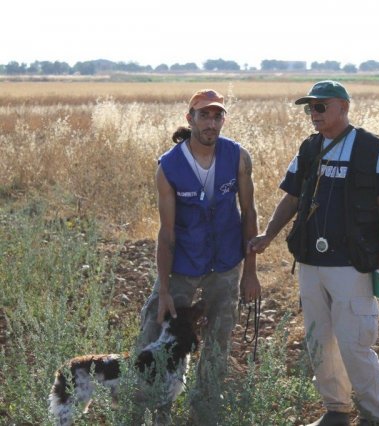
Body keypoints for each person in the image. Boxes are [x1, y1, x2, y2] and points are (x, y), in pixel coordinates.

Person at [248, 81, 379, 426]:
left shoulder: (369, 146)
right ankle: (337, 410)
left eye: (320, 107)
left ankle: (374, 416)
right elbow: (292, 198)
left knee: (354, 343)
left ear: (343, 107)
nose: (313, 114)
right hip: (312, 263)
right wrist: (268, 235)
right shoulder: (309, 148)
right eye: (309, 108)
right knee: (319, 342)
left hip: (352, 264)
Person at [136, 89, 261, 424]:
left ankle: (203, 409)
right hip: (184, 265)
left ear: (223, 120)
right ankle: (141, 405)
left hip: (225, 265)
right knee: (154, 330)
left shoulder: (237, 157)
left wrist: (250, 271)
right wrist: (163, 290)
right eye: (204, 115)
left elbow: (249, 214)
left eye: (217, 115)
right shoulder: (169, 166)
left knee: (219, 337)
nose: (211, 122)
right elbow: (166, 233)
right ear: (189, 118)